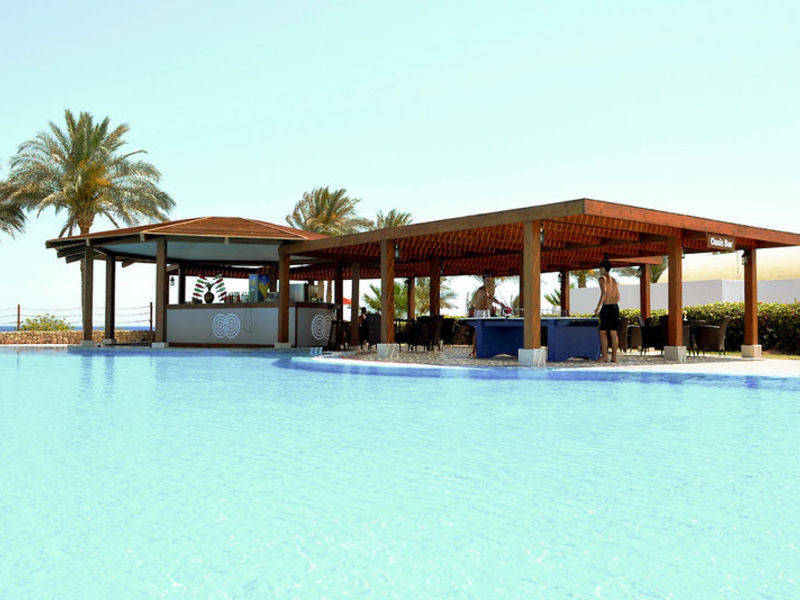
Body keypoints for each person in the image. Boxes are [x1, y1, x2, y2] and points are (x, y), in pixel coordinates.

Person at [470, 274, 507, 357]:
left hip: (486, 312)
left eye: (490, 281)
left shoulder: (487, 290)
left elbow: (490, 297)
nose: (489, 282)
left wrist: (500, 303)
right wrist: (500, 303)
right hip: (480, 312)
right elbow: (489, 298)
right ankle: (474, 351)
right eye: (487, 280)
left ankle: (485, 349)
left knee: (486, 330)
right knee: (477, 331)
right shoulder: (481, 290)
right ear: (484, 281)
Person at [594, 259, 621, 363]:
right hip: (615, 307)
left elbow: (604, 293)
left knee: (603, 332)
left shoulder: (602, 279)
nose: (599, 270)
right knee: (613, 333)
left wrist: (598, 307)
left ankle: (604, 356)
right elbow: (618, 296)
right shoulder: (613, 280)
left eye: (600, 268)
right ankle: (614, 357)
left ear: (603, 268)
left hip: (607, 307)